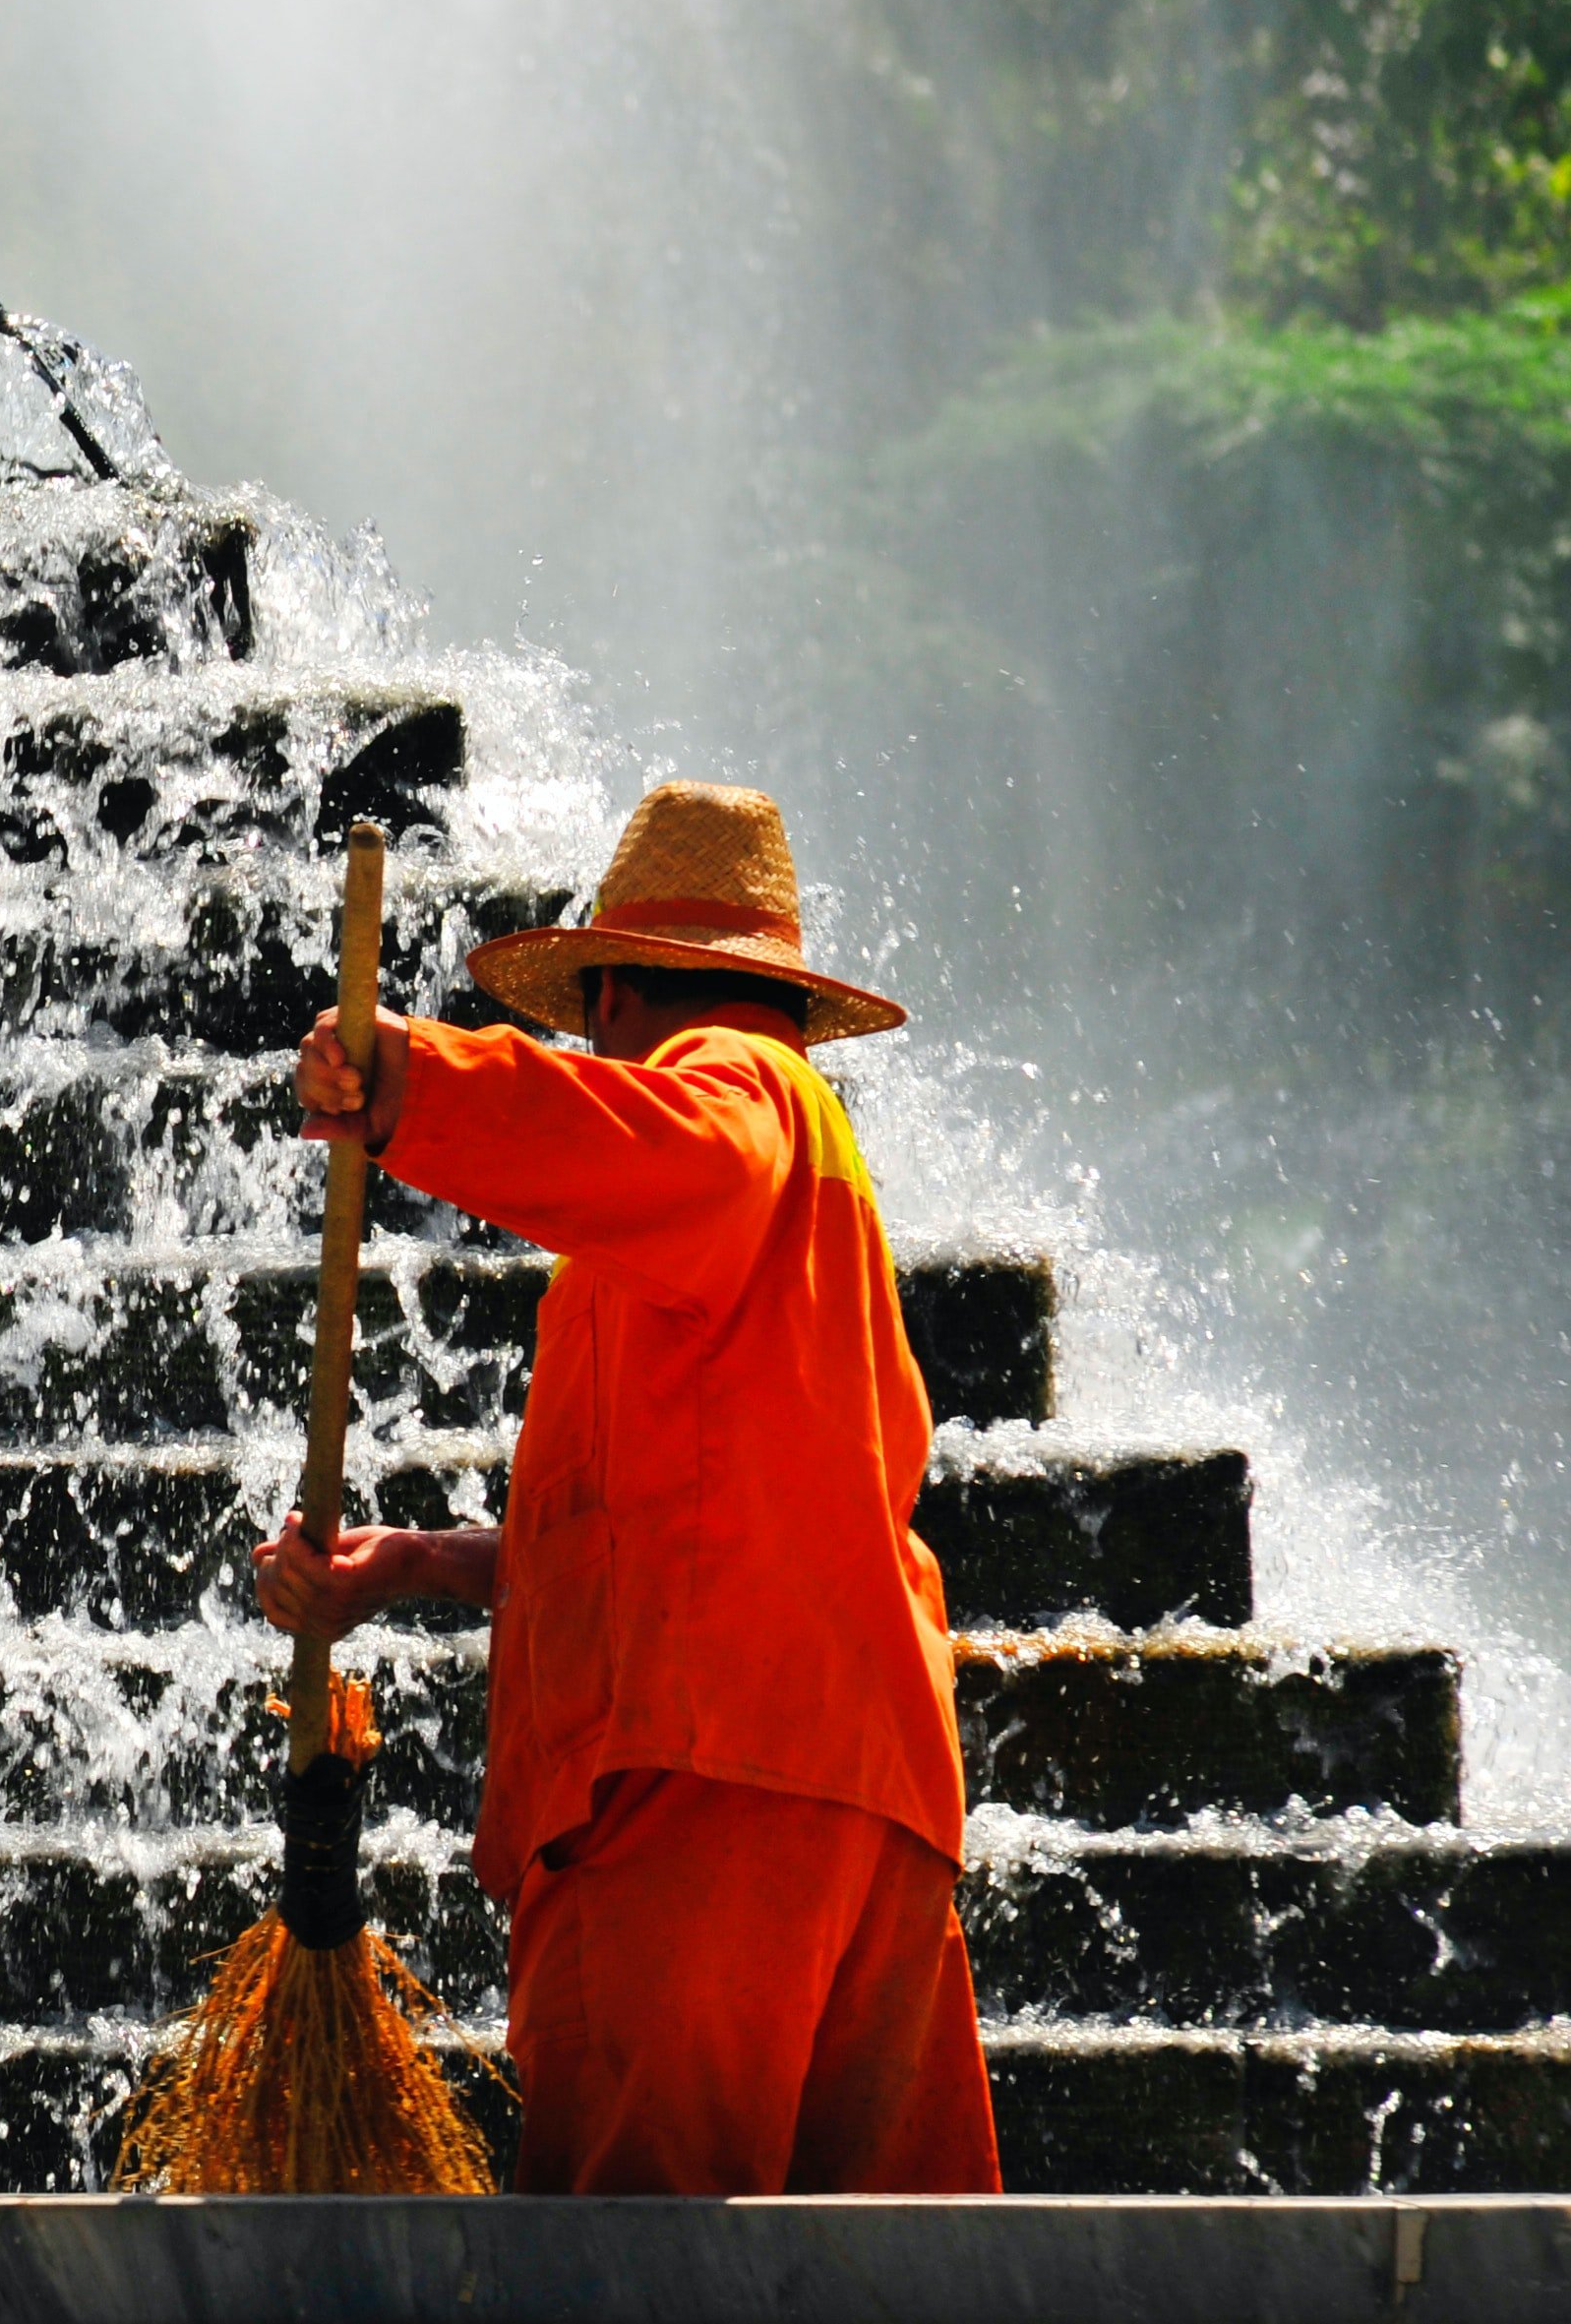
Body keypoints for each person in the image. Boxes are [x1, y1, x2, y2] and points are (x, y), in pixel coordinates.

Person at [257, 778, 1000, 2197]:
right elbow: (672, 1526)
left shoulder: (732, 1093)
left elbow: (677, 1145)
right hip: (865, 1801)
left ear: (611, 996)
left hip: (701, 1799)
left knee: (637, 2265)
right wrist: (407, 1561)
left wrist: (417, 1081)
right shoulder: (813, 1200)